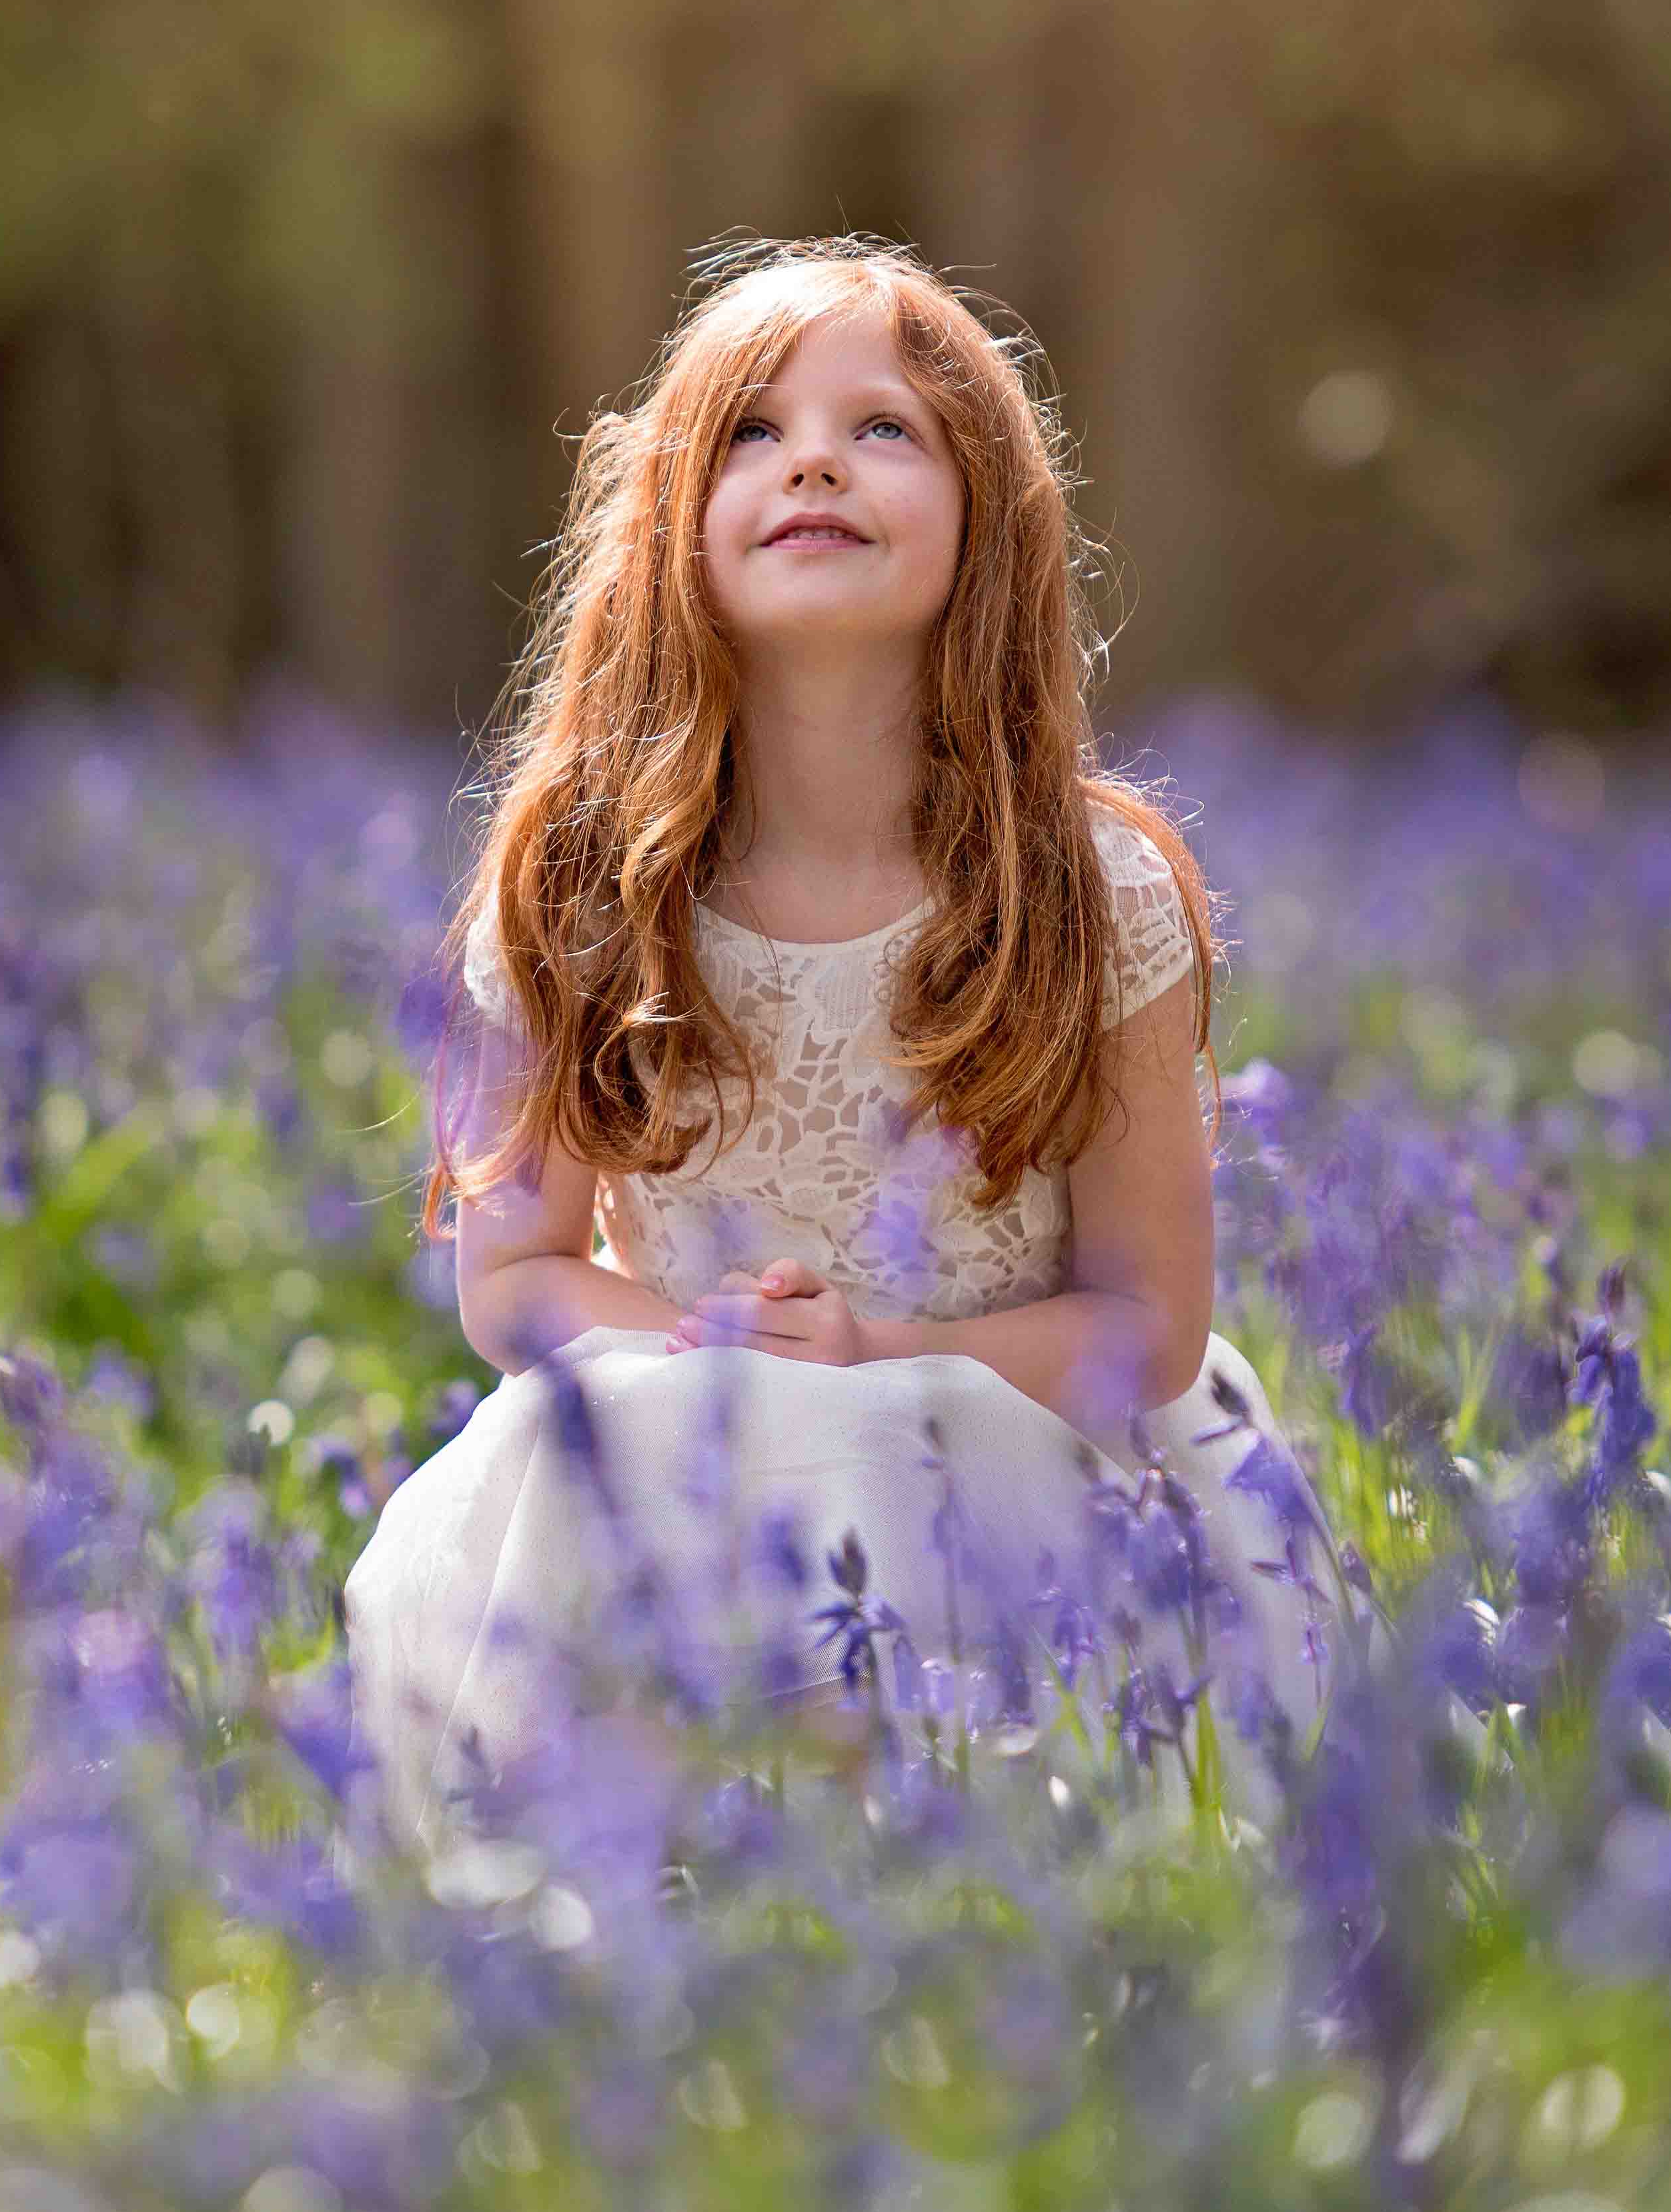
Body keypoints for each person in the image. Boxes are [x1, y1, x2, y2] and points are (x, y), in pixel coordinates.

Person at [336, 236, 1343, 1848]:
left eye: (885, 428)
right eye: (753, 428)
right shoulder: (579, 880)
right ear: (671, 521)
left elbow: (1146, 1327)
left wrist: (872, 1358)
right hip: (689, 1438)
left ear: (987, 526)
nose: (813, 455)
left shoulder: (1089, 888)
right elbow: (512, 1279)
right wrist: (716, 1350)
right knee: (629, 1463)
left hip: (1017, 1461)